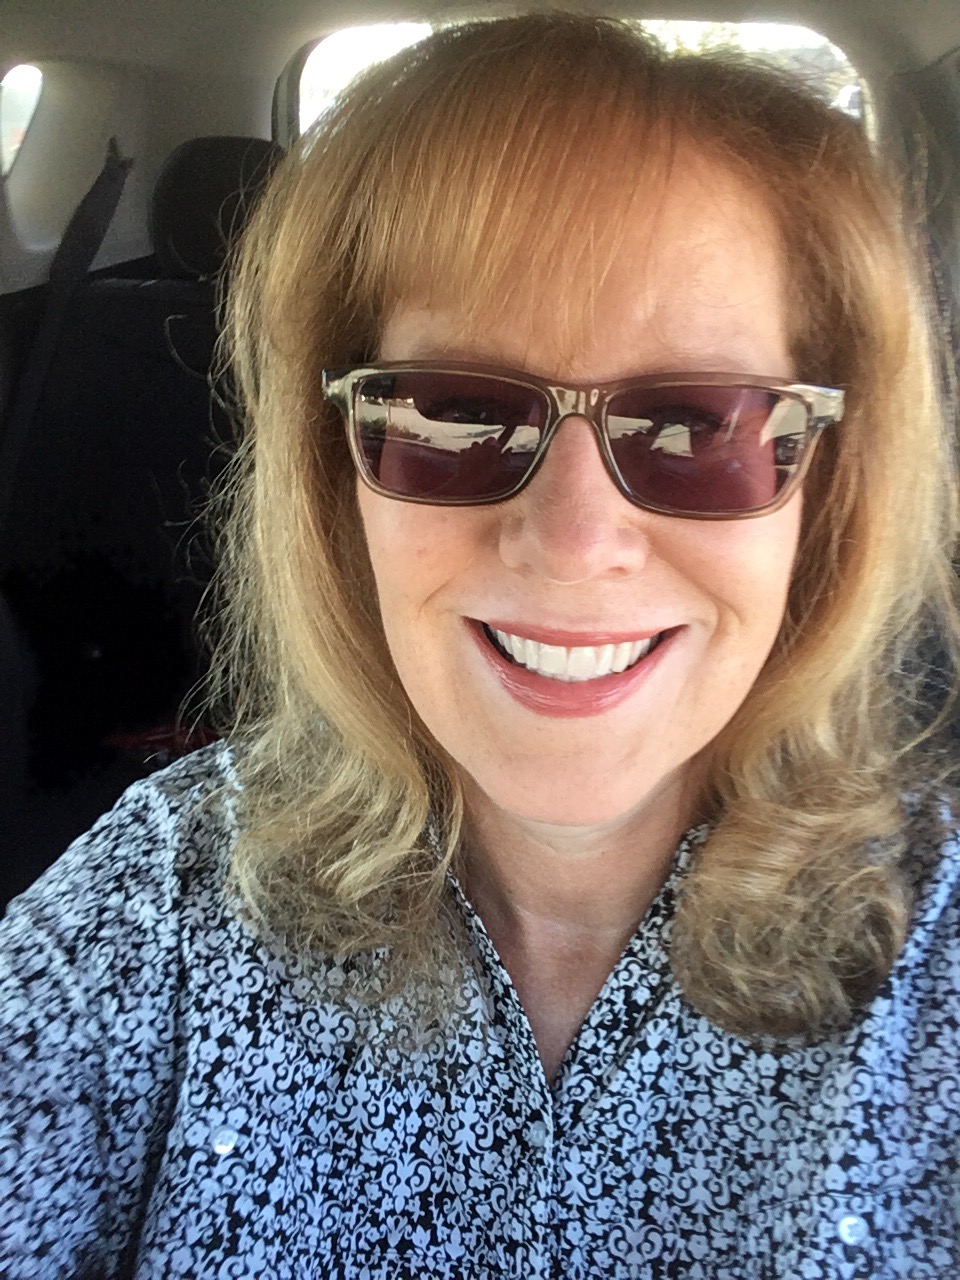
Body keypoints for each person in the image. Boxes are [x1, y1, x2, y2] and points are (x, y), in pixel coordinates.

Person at [2, 12, 959, 1278]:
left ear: (821, 489)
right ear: (336, 470)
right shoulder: (162, 906)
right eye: (453, 414)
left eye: (694, 425)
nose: (572, 543)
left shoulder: (934, 945)